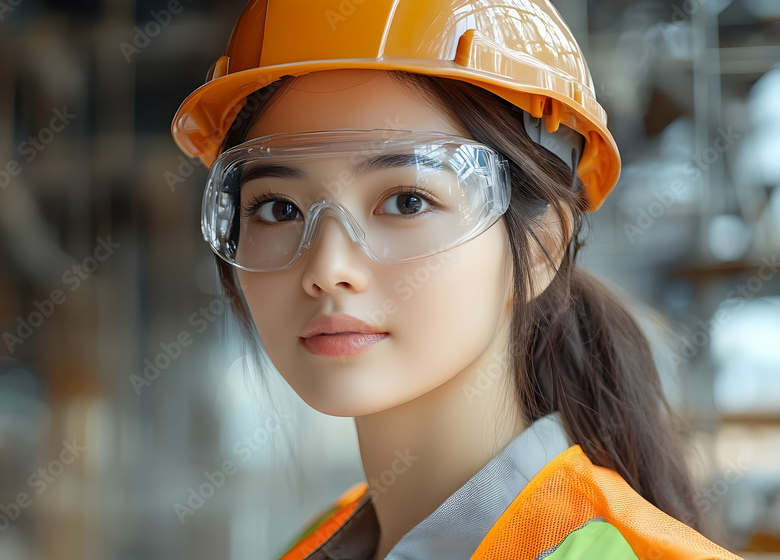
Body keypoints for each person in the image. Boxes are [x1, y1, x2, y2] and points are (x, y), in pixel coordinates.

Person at [169, 1, 747, 558]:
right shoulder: (319, 545)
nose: (326, 269)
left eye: (407, 199)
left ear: (544, 245)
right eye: (277, 208)